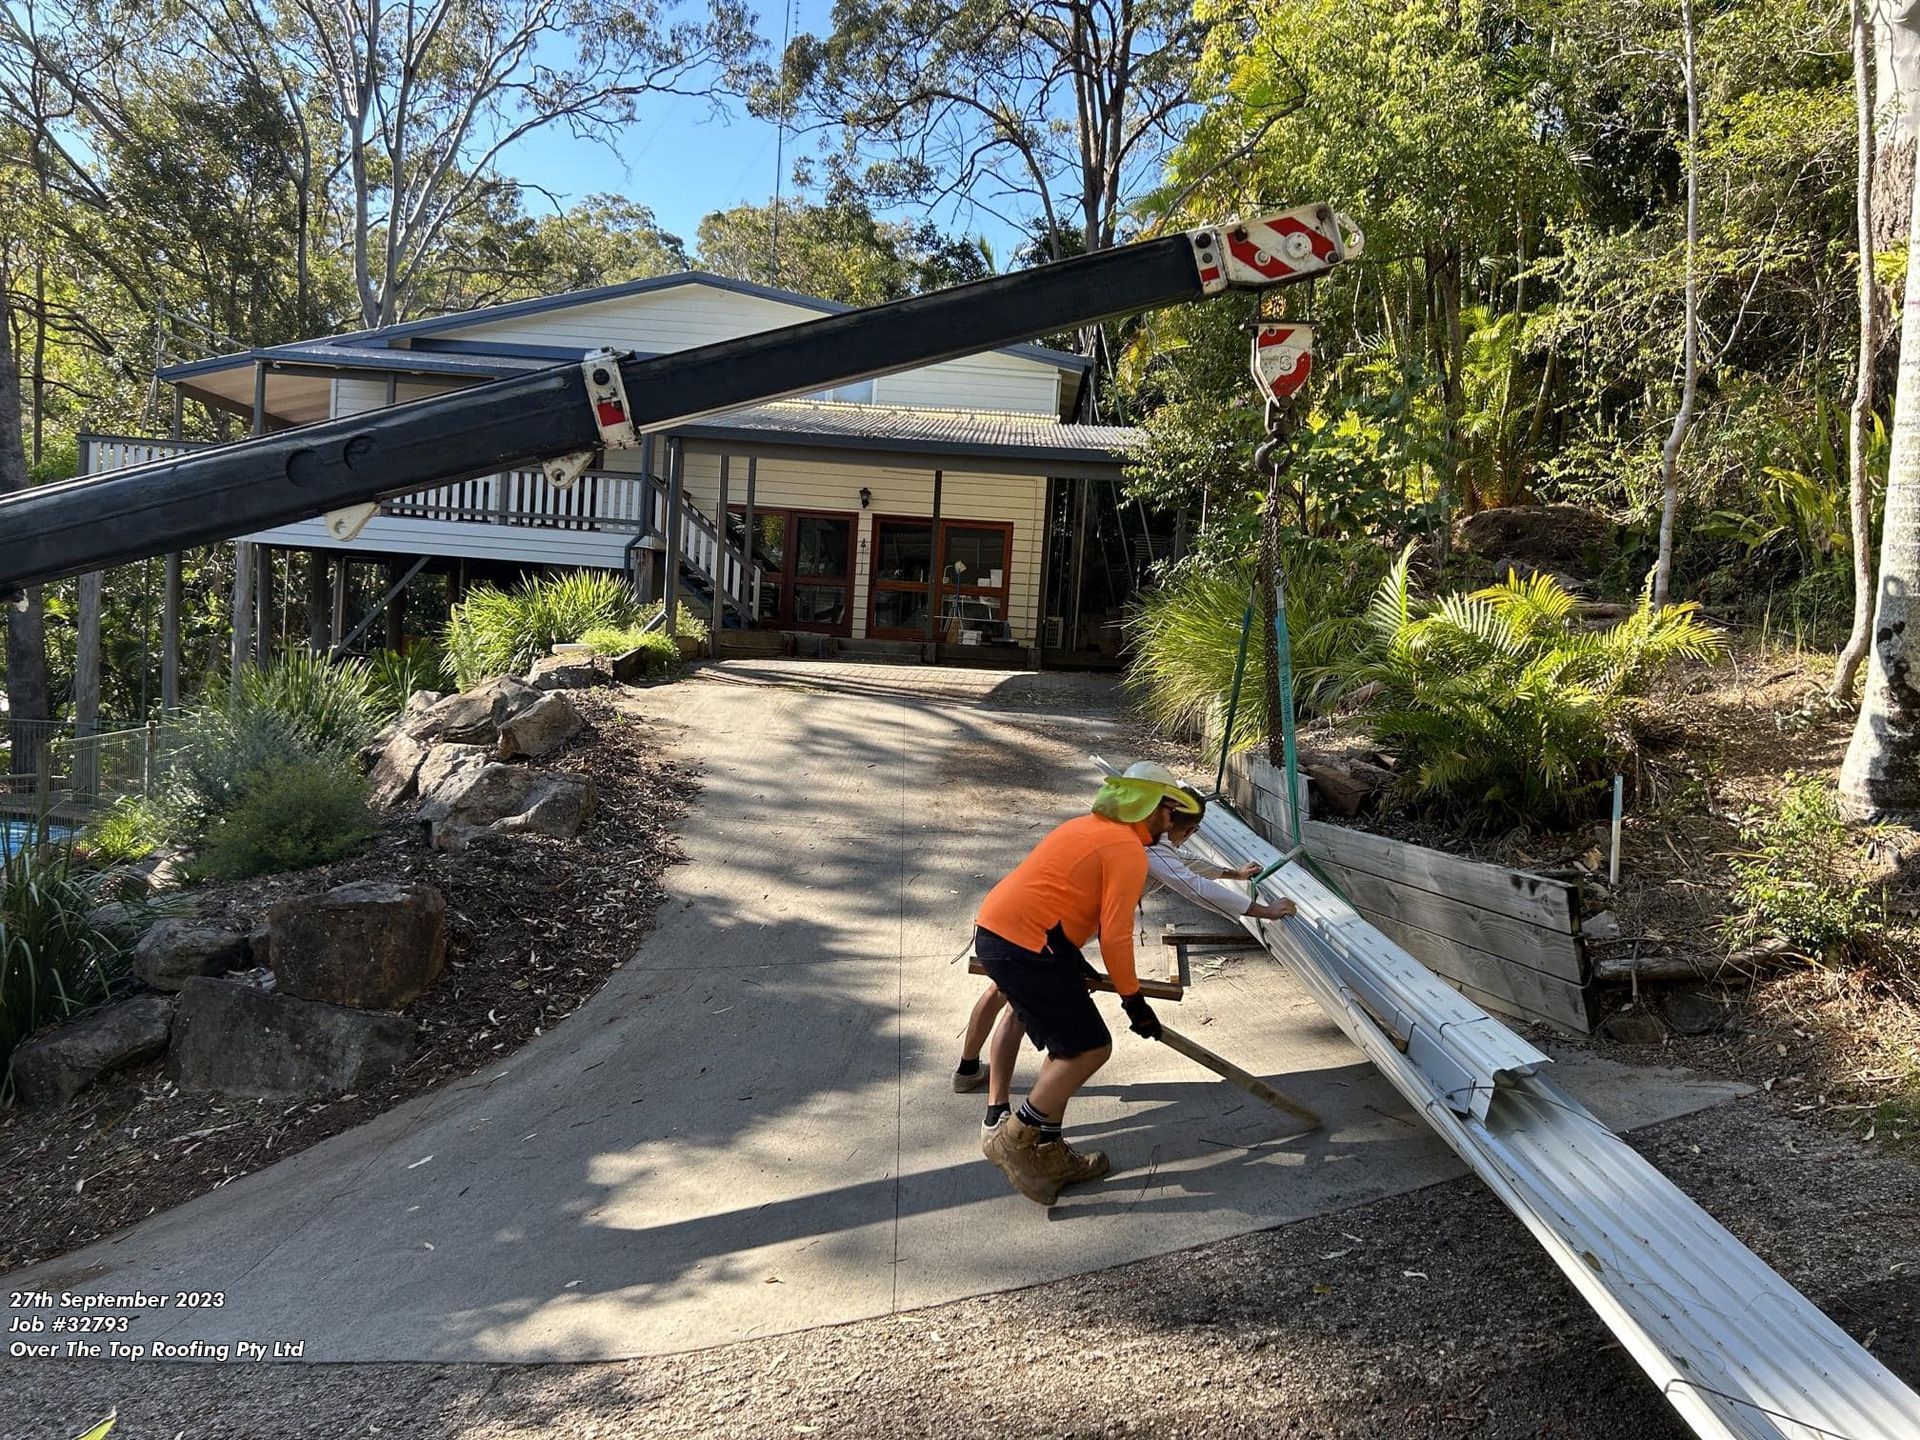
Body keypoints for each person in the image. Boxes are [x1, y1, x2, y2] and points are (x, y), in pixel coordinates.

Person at [955, 782, 1299, 1157]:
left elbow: (1183, 866)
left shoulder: (1103, 828)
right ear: (1163, 819)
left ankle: (973, 1073)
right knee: (1073, 1041)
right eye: (1177, 825)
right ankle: (1003, 1124)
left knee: (1020, 1006)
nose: (1177, 834)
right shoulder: (1135, 849)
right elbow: (1153, 909)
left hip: (1016, 927)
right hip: (1032, 940)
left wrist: (1233, 874)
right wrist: (1133, 1000)